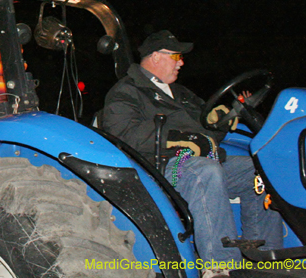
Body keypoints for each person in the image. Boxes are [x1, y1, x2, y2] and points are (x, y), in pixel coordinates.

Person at [102, 30, 282, 270]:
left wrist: (224, 118)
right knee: (205, 172)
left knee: (260, 170)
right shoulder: (126, 91)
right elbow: (122, 132)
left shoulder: (181, 93)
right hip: (159, 167)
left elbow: (206, 129)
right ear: (156, 57)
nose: (182, 62)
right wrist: (177, 139)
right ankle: (220, 268)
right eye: (177, 57)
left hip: (199, 160)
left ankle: (267, 262)